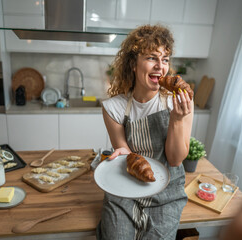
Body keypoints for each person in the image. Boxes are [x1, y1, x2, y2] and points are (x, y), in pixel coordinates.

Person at [96, 24, 194, 240]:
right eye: (152, 57)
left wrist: (177, 119)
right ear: (133, 63)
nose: (161, 66)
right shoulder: (114, 108)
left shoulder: (178, 102)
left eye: (165, 59)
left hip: (166, 194)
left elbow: (176, 159)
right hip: (125, 188)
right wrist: (121, 152)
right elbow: (124, 149)